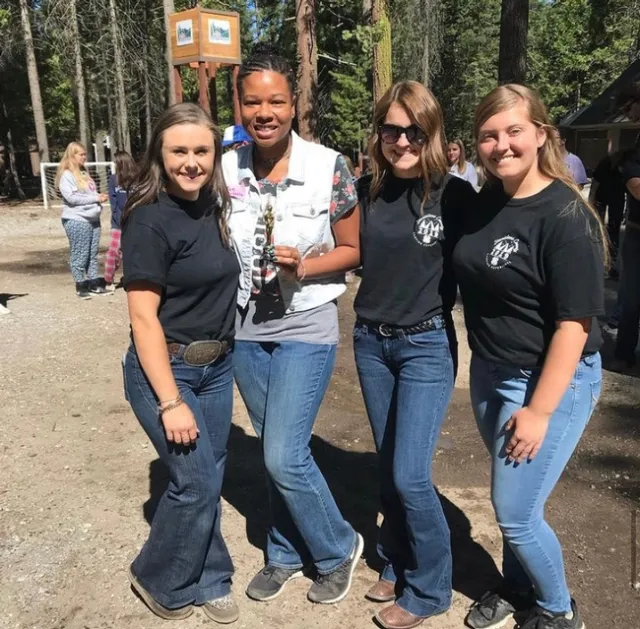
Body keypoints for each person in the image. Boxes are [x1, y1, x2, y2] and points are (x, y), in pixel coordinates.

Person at [454, 85, 606, 629]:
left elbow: (574, 323)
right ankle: (517, 586)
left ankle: (558, 611)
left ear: (541, 133)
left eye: (514, 131)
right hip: (491, 373)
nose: (501, 145)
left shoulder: (566, 215)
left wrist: (539, 410)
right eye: (489, 136)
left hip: (550, 383)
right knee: (513, 501)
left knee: (516, 514)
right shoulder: (486, 200)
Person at [222, 43, 363, 606]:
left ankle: (335, 547)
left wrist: (304, 264)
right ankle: (282, 551)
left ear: (293, 102)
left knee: (284, 452)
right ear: (239, 103)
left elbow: (353, 249)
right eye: (252, 101)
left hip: (306, 322)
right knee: (270, 446)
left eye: (276, 101)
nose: (264, 113)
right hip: (245, 329)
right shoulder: (224, 165)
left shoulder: (329, 167)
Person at [353, 82, 475, 629]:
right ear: (378, 132)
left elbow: (497, 259)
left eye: (413, 131)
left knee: (410, 474)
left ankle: (430, 588)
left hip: (426, 344)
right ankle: (396, 559)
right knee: (388, 464)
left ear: (432, 133)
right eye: (391, 129)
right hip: (370, 342)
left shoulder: (454, 195)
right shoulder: (362, 192)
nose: (401, 140)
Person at [121, 103, 241, 624]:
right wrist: (170, 402)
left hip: (216, 368)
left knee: (210, 476)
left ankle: (211, 576)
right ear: (159, 155)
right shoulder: (148, 219)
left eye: (200, 151)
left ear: (214, 155)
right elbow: (144, 320)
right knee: (193, 483)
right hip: (167, 372)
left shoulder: (213, 206)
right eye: (179, 151)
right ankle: (157, 575)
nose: (190, 162)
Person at [56, 142, 110, 298]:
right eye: (81, 154)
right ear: (72, 155)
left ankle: (93, 282)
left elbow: (87, 193)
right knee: (80, 253)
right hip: (77, 218)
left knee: (93, 253)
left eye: (85, 154)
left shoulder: (84, 173)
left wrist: (98, 197)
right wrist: (95, 198)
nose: (84, 157)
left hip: (93, 218)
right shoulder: (67, 175)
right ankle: (81, 284)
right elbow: (71, 197)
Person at [613, 82, 640, 369]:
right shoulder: (635, 149)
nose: (627, 114)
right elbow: (636, 187)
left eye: (628, 107)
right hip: (636, 231)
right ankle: (623, 353)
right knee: (631, 298)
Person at [105, 150, 137, 291]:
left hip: (135, 222)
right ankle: (108, 280)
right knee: (114, 252)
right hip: (118, 223)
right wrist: (117, 218)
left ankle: (133, 278)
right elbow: (113, 202)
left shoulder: (138, 179)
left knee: (133, 252)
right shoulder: (113, 179)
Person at [590, 150, 626, 269]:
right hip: (605, 198)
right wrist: (591, 198)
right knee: (601, 228)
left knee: (610, 229)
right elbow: (595, 181)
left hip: (613, 199)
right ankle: (601, 257)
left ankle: (609, 260)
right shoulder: (606, 163)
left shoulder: (624, 165)